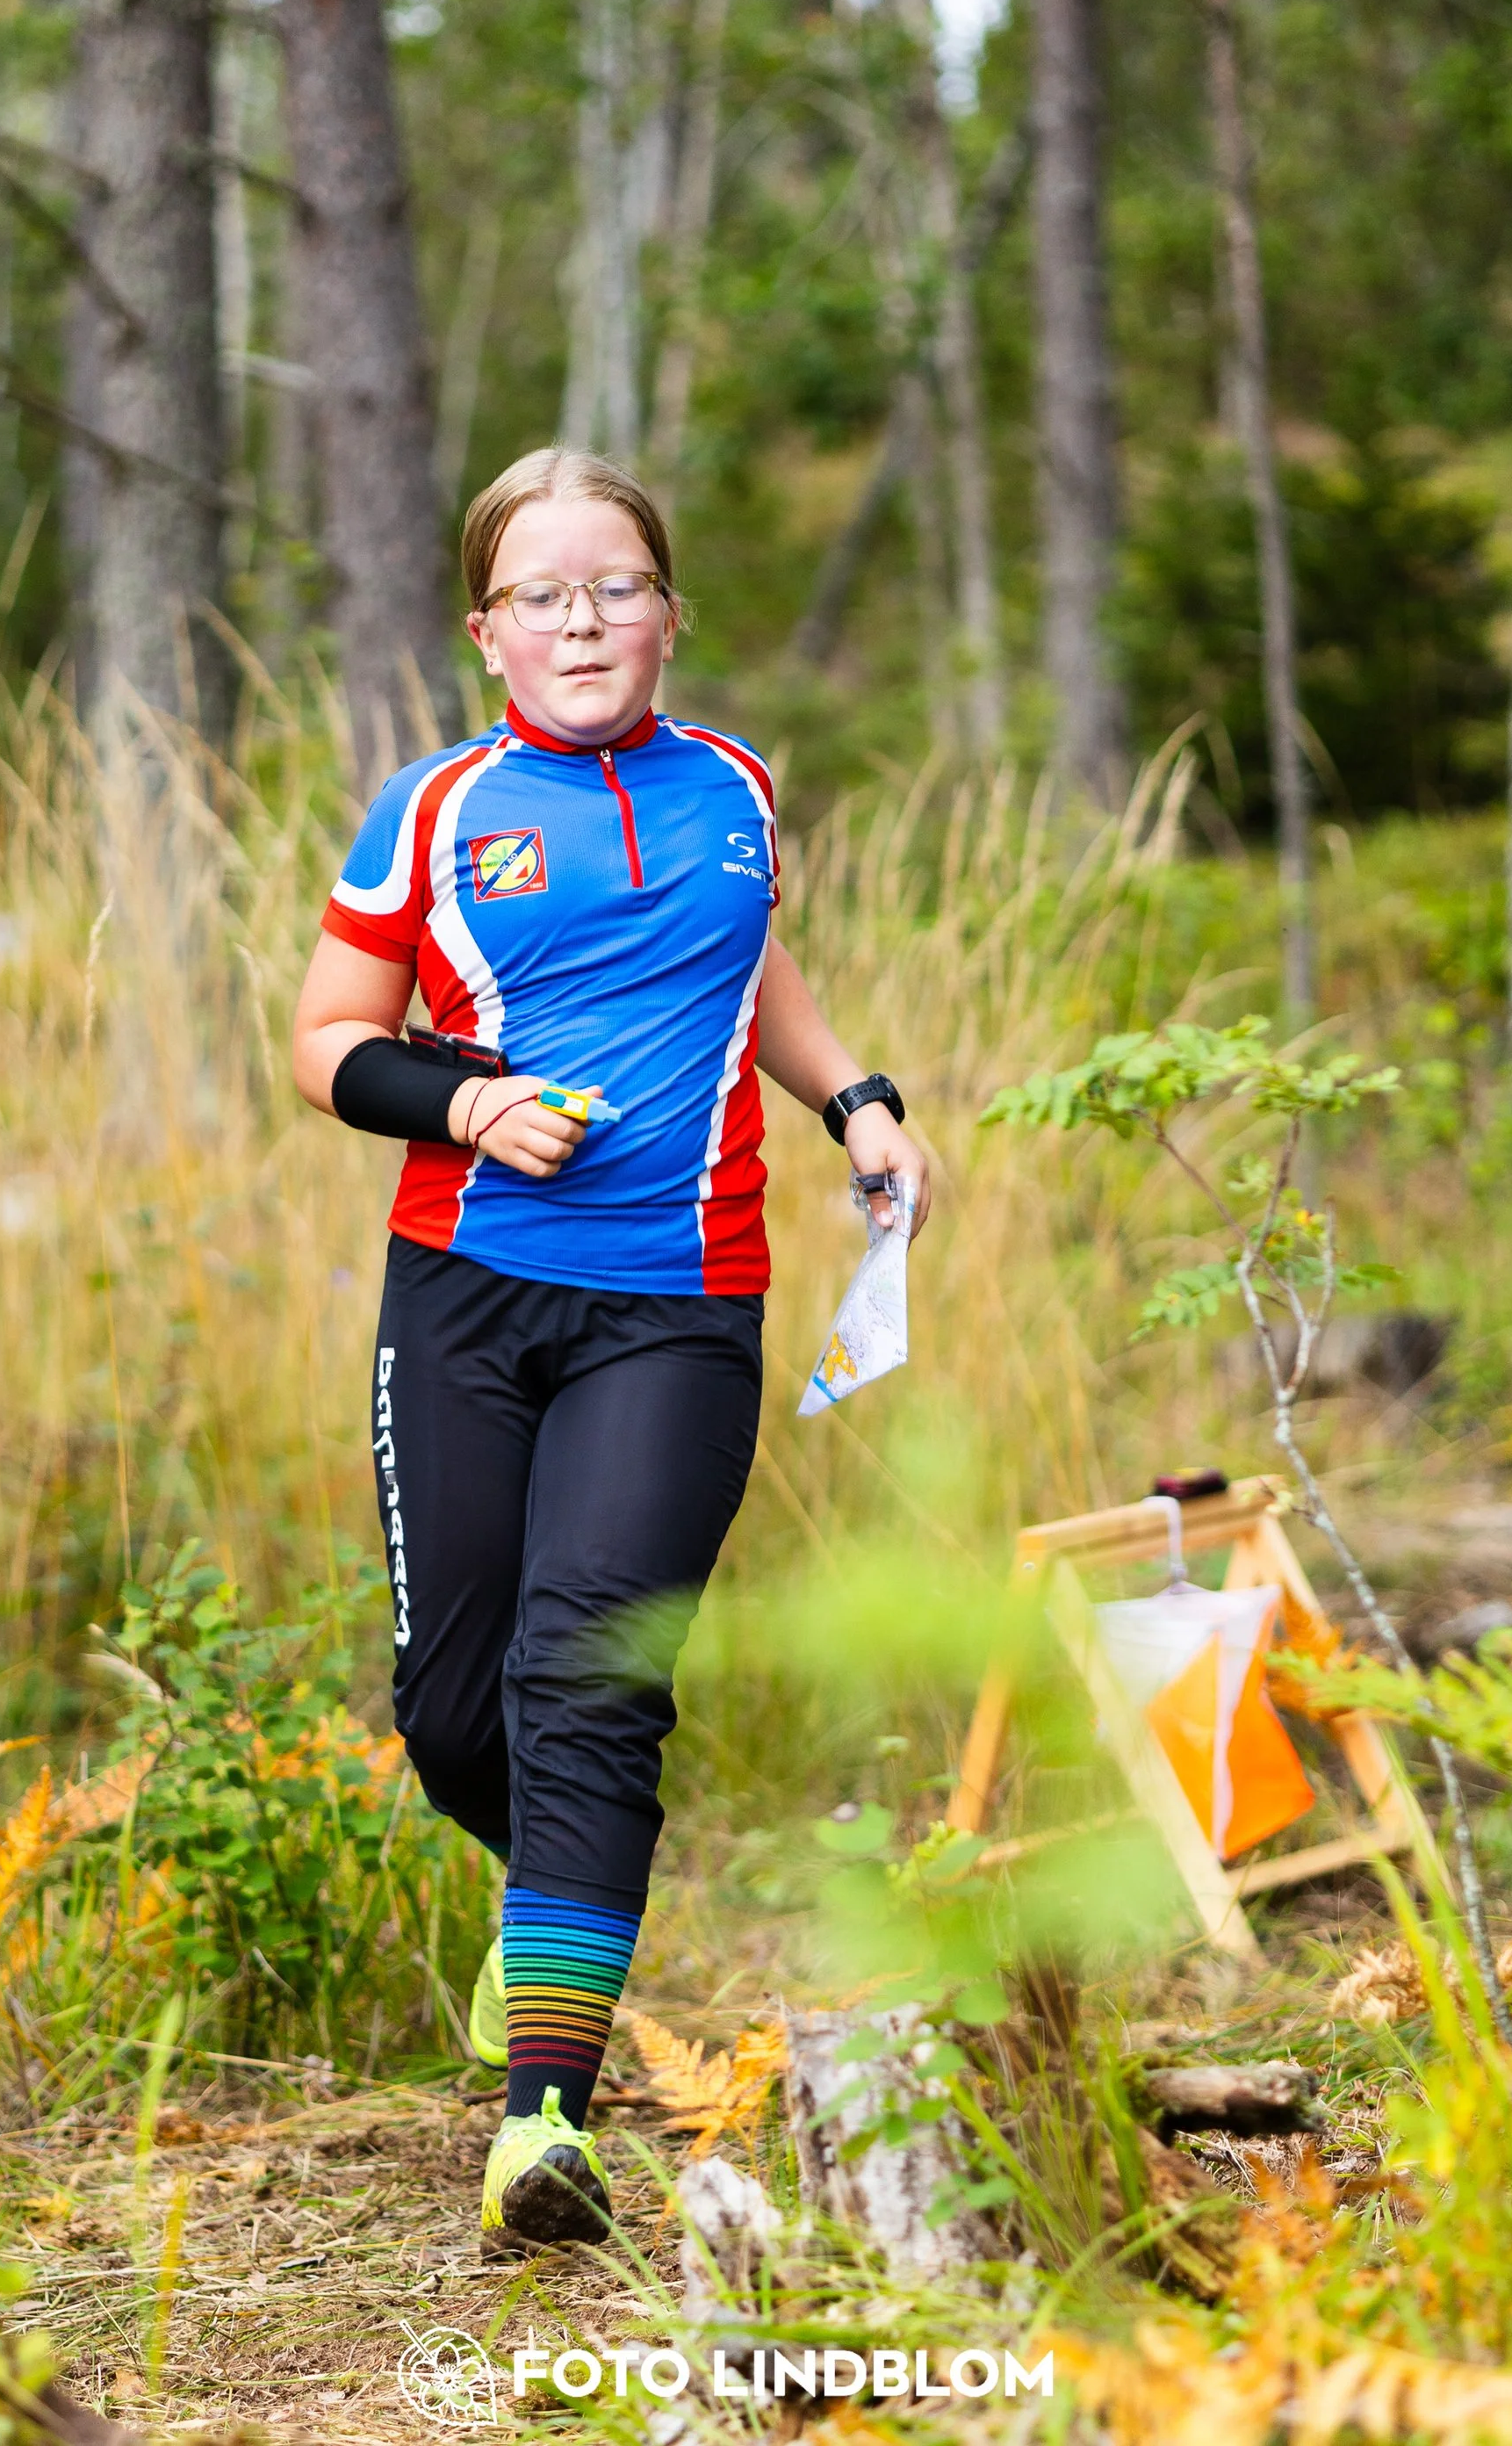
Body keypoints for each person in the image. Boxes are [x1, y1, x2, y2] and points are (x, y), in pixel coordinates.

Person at [292, 446, 927, 2255]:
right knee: (450, 1704)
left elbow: (757, 968)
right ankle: (560, 1914)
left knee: (589, 1676)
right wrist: (470, 1099)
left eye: (617, 585)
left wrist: (856, 1101)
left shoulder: (732, 782)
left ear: (667, 610)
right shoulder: (430, 809)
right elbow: (326, 1039)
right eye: (543, 593)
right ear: (485, 625)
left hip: (681, 1299)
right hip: (467, 1298)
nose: (584, 620)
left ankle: (542, 2117)